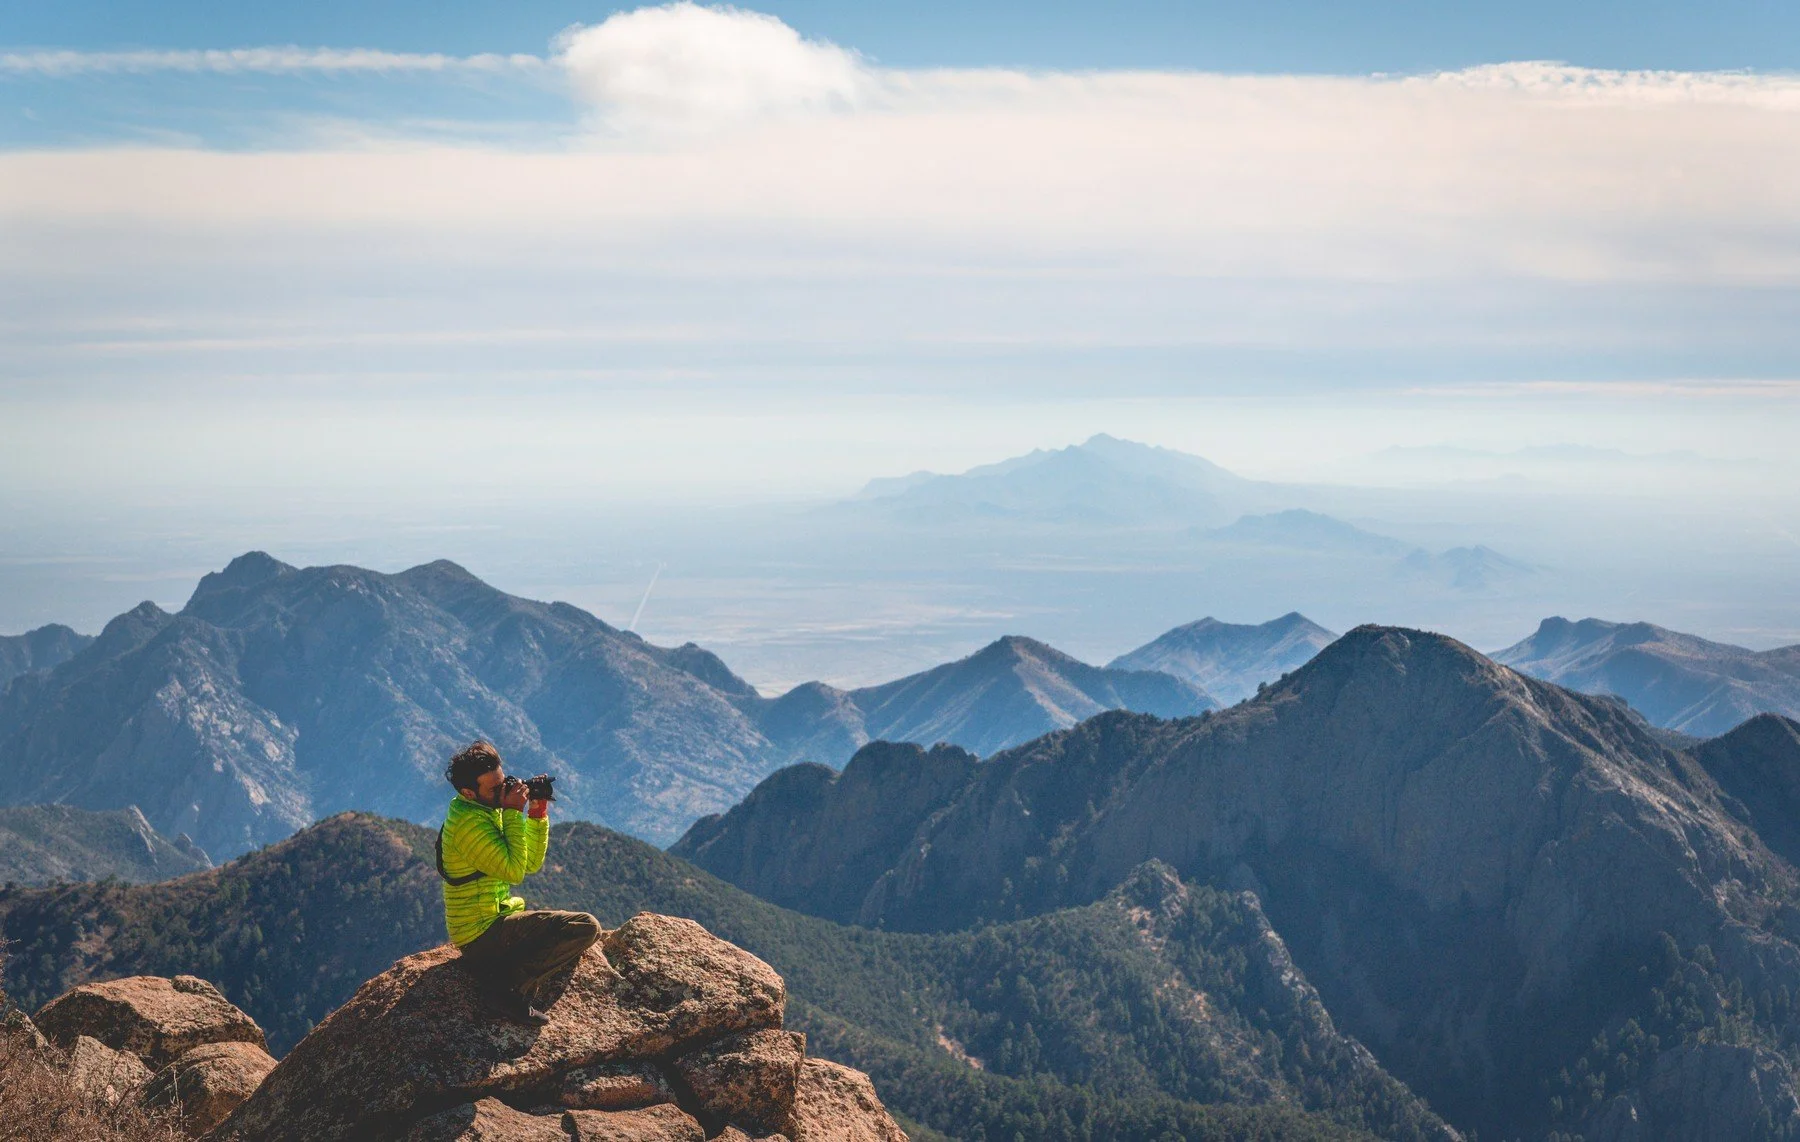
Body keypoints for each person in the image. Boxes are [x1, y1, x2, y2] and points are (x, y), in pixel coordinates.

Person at [438, 740, 600, 1023]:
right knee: (584, 927)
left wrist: (537, 813)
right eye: (495, 788)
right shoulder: (468, 825)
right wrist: (513, 811)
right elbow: (514, 871)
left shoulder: (485, 808)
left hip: (496, 920)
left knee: (578, 928)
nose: (504, 790)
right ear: (468, 792)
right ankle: (506, 989)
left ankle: (503, 972)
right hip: (480, 934)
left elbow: (529, 863)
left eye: (504, 782)